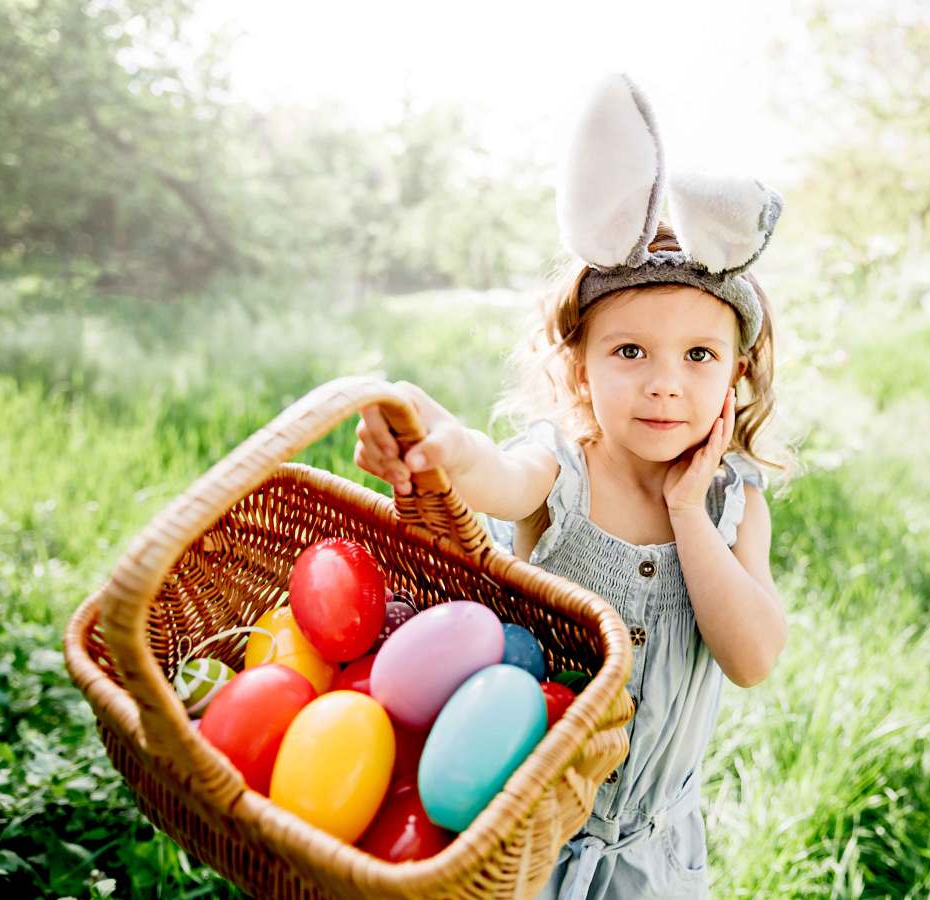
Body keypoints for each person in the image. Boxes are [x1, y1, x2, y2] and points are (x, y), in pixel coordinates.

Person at [353, 73, 791, 900]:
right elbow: (495, 475)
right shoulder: (563, 466)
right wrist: (443, 444)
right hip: (524, 839)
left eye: (697, 357)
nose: (665, 383)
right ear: (581, 371)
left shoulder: (736, 504)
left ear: (735, 376)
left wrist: (687, 515)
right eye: (630, 353)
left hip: (655, 855)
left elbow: (754, 656)